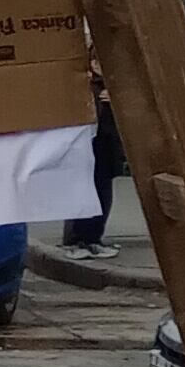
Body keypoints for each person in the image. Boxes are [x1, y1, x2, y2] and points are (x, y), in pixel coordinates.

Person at [57, 79, 125, 261]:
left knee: (101, 188)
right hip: (91, 138)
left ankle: (90, 238)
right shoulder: (88, 83)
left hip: (103, 139)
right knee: (89, 186)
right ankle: (79, 239)